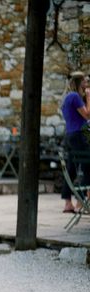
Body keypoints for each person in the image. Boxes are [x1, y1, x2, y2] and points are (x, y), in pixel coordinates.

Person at [60, 71, 90, 213]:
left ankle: (68, 203)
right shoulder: (75, 96)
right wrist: (89, 97)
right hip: (79, 135)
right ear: (79, 82)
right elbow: (87, 114)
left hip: (70, 135)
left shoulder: (67, 97)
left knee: (71, 168)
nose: (87, 84)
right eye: (85, 81)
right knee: (87, 167)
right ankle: (80, 202)